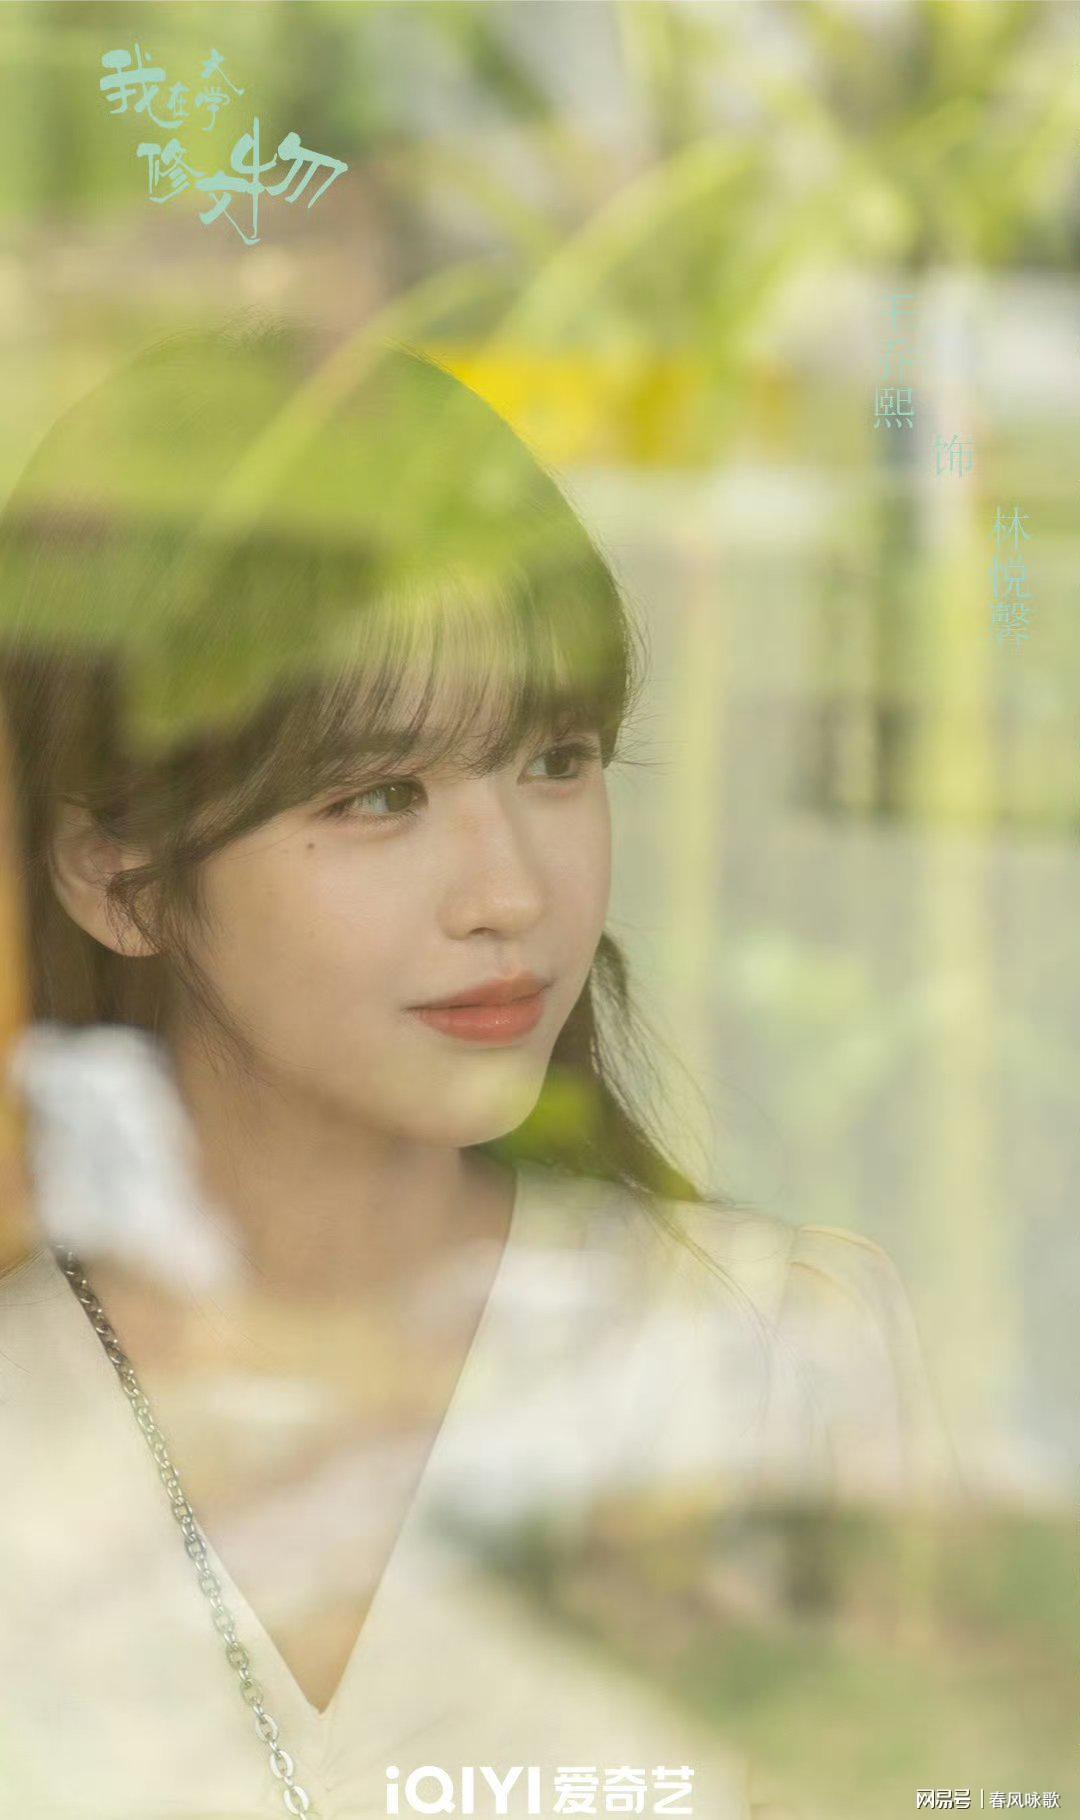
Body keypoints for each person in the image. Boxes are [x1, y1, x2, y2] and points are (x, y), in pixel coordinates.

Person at [0, 312, 964, 1820]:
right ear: (117, 880)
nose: (510, 892)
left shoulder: (774, 1363)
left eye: (555, 762)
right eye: (379, 794)